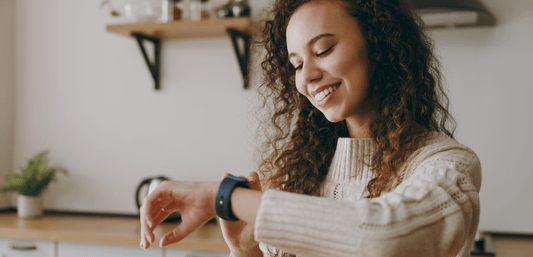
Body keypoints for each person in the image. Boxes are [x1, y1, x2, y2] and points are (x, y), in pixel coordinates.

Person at [139, 0, 482, 256]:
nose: (307, 76)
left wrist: (225, 197)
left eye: (324, 50)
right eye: (297, 64)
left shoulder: (448, 166)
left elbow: (382, 237)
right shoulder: (302, 174)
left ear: (379, 45)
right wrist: (249, 252)